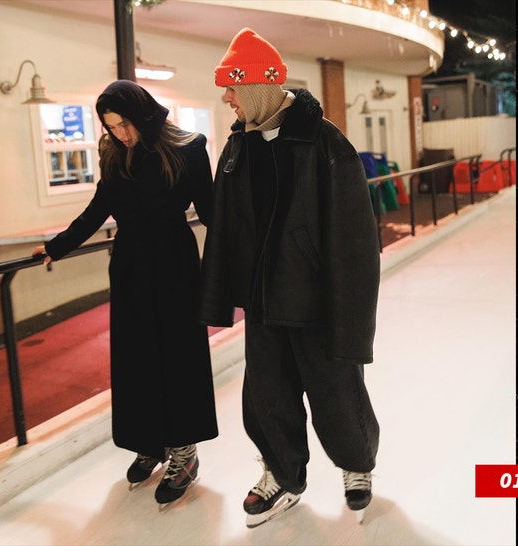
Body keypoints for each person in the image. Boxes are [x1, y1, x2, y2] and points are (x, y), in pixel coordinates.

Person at [199, 28, 381, 527]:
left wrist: (352, 315)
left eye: (232, 89)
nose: (227, 99)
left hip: (317, 303)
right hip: (263, 304)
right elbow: (225, 232)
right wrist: (218, 298)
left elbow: (355, 241)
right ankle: (282, 473)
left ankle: (357, 465)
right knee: (267, 397)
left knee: (337, 393)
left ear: (256, 87)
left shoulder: (324, 143)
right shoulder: (237, 150)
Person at [32, 80, 218, 506]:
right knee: (136, 359)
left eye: (124, 124)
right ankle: (150, 441)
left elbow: (211, 212)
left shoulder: (188, 149)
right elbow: (99, 208)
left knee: (177, 357)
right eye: (112, 127)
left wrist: (239, 252)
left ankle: (185, 452)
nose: (120, 134)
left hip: (175, 267)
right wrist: (59, 245)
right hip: (131, 267)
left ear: (144, 114)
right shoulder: (114, 153)